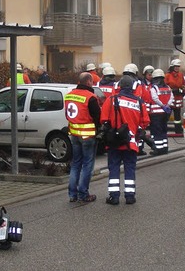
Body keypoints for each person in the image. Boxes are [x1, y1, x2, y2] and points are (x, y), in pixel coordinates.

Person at [101, 75, 149, 205]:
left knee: (114, 168)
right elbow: (144, 122)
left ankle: (114, 197)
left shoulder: (111, 100)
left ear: (120, 86)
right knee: (130, 168)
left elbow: (103, 119)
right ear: (133, 87)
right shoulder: (139, 102)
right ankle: (130, 196)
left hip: (114, 142)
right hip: (131, 143)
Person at [64, 72, 101, 203]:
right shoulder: (91, 97)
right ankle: (83, 194)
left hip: (74, 134)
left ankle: (72, 194)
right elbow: (98, 117)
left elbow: (67, 115)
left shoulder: (69, 96)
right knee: (87, 165)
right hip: (88, 136)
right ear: (89, 82)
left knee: (75, 164)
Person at [149, 69, 173, 155]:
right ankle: (165, 148)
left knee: (157, 132)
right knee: (164, 131)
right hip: (165, 113)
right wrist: (167, 106)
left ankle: (158, 149)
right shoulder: (168, 87)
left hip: (156, 114)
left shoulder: (154, 88)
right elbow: (171, 98)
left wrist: (162, 105)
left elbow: (155, 98)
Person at [165, 59, 185, 134]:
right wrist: (172, 90)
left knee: (178, 117)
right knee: (167, 115)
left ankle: (178, 130)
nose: (177, 68)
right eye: (176, 66)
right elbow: (165, 86)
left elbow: (183, 84)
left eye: (178, 66)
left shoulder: (180, 75)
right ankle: (163, 129)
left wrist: (183, 90)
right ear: (172, 67)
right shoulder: (168, 75)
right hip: (170, 98)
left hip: (178, 98)